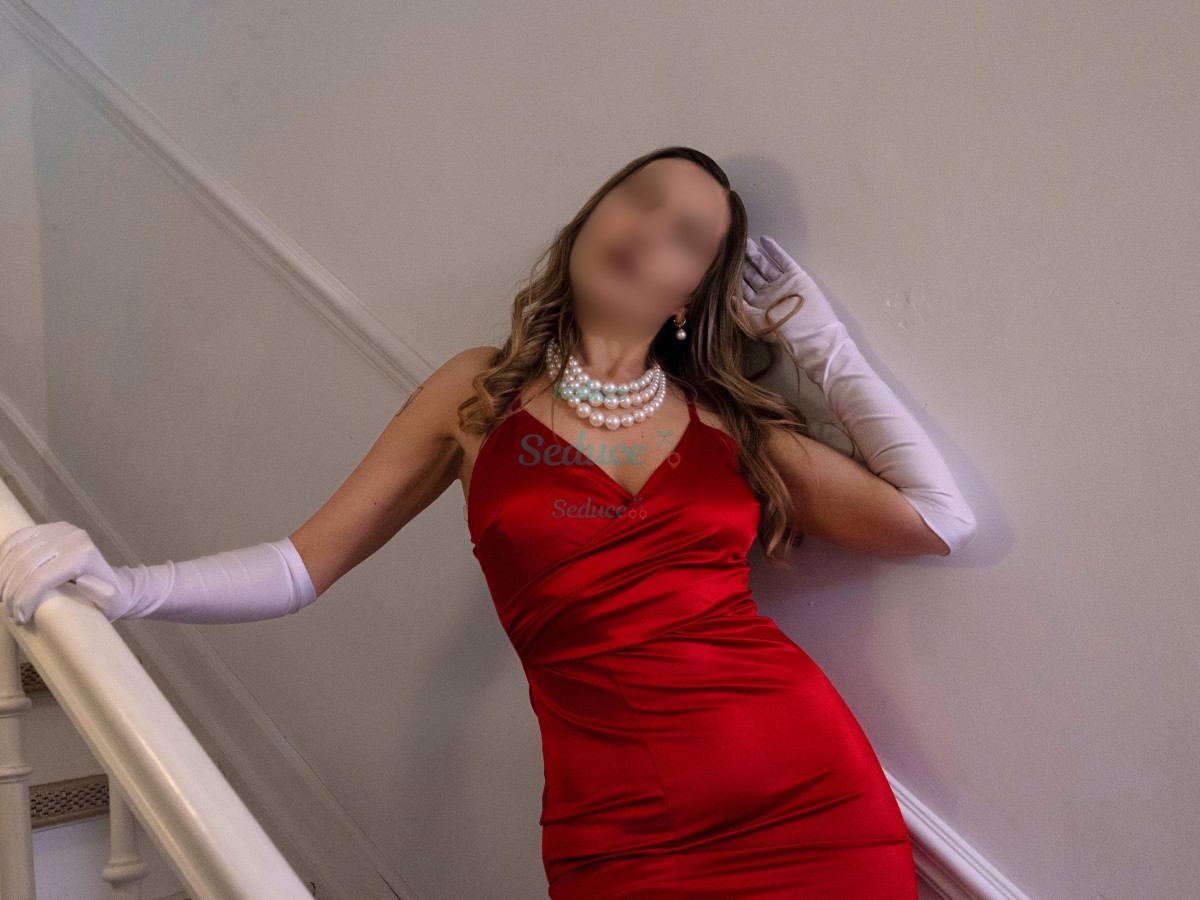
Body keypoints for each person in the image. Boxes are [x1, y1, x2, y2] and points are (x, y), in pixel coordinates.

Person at [0, 146, 976, 897]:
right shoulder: (477, 395)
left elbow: (935, 519)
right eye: (638, 199)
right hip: (619, 834)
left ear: (692, 295)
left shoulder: (728, 424)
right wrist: (126, 589)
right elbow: (299, 567)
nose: (649, 230)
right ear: (590, 218)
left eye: (687, 235)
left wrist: (814, 334)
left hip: (807, 800)